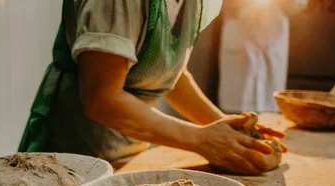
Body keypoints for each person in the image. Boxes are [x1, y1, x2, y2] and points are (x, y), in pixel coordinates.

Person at [18, 0, 285, 175]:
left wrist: (229, 130)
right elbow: (102, 99)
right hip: (72, 157)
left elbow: (167, 73)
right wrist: (202, 140)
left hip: (130, 154)